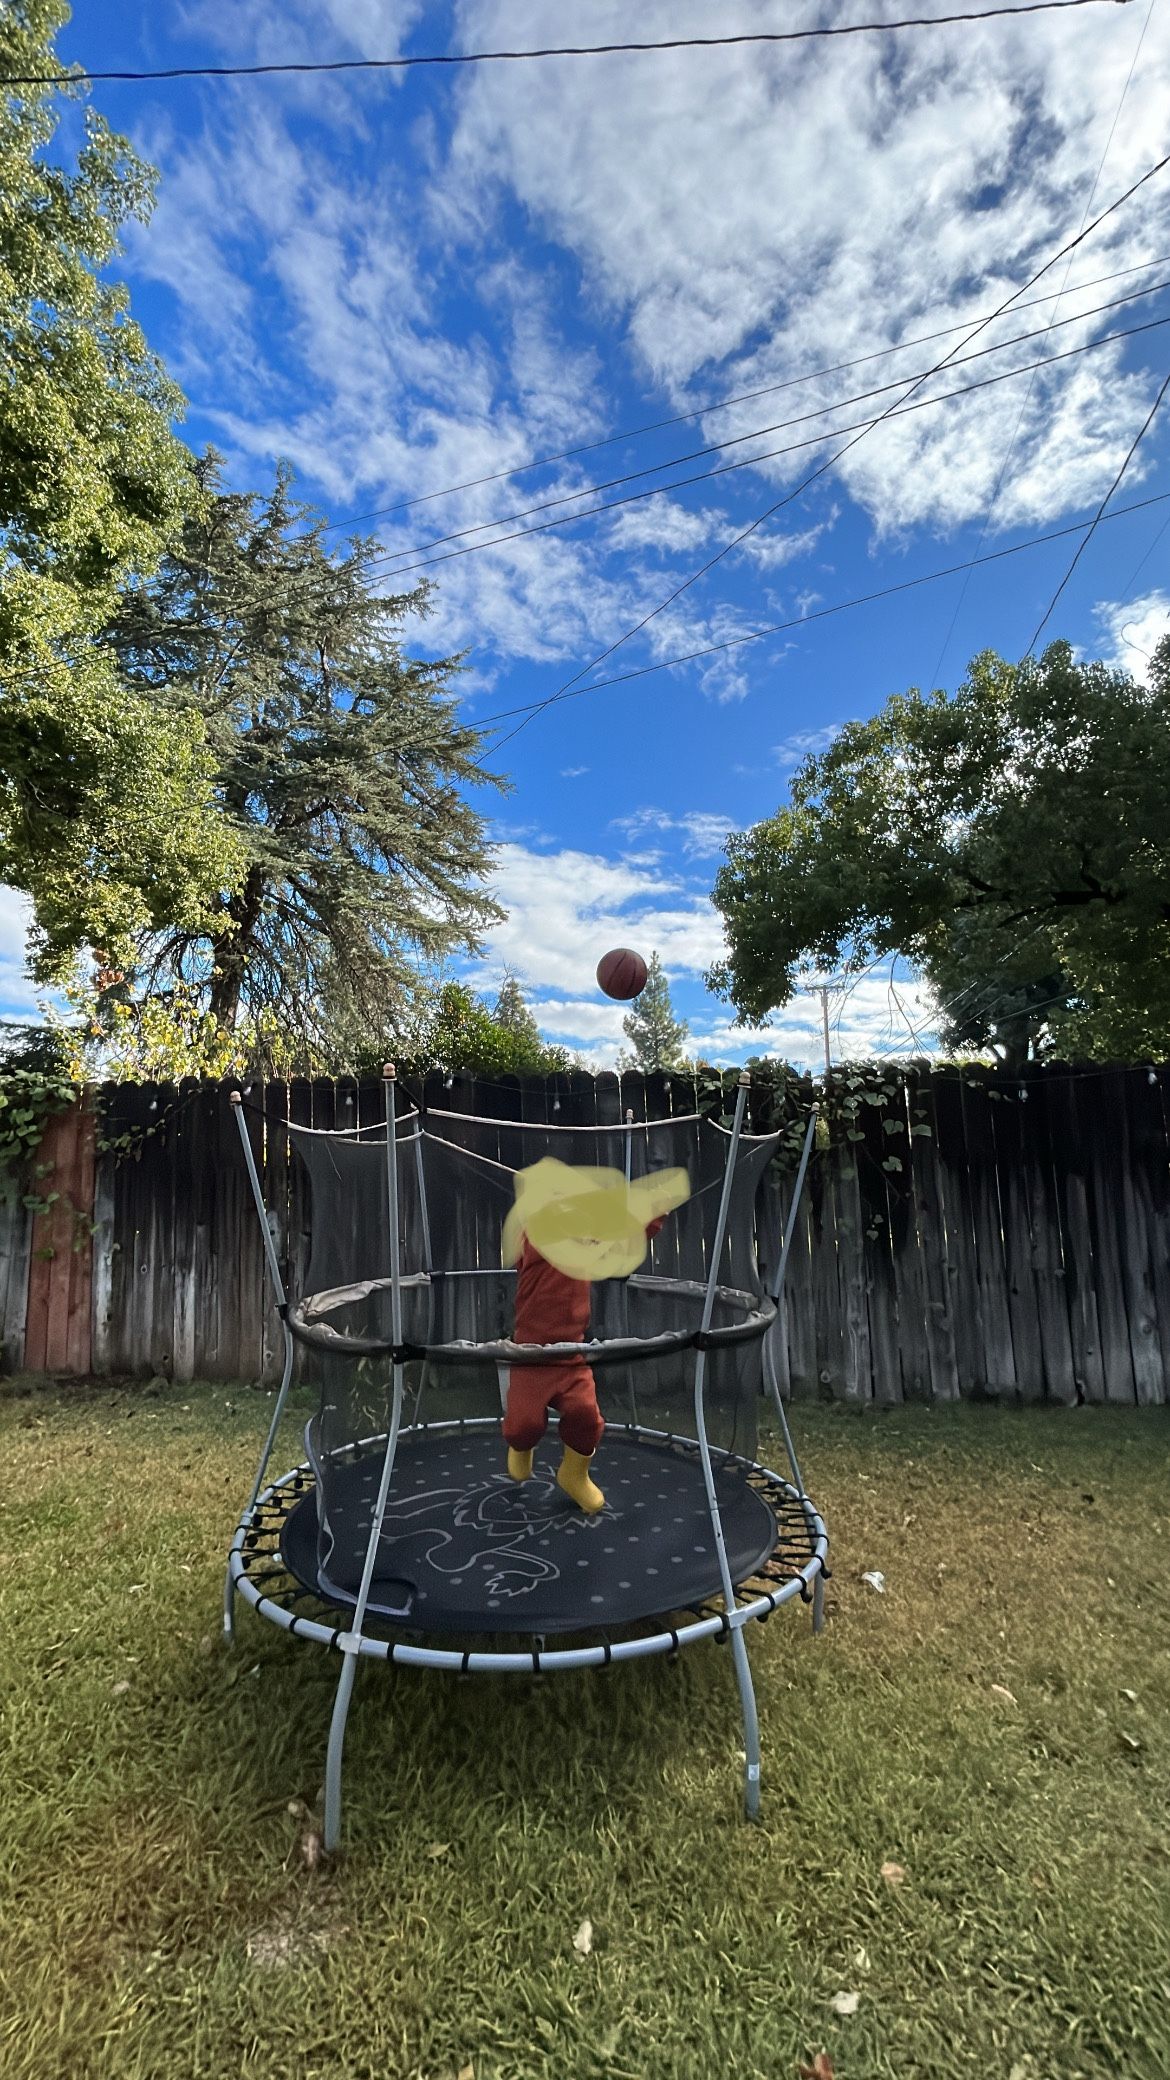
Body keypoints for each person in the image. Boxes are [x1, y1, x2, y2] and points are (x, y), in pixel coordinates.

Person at [500, 1161, 688, 1512]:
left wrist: (650, 1211)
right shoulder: (536, 1239)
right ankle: (520, 1446)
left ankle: (574, 1474)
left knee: (587, 1417)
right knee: (523, 1425)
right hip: (531, 1356)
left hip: (572, 1354)